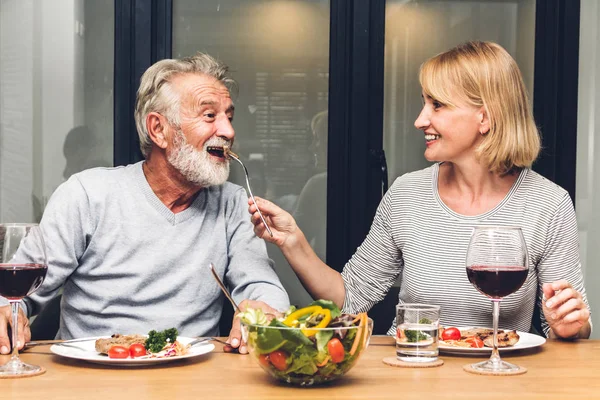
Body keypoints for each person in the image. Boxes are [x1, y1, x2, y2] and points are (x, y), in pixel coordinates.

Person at [248, 41, 592, 339]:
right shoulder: (406, 194)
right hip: (411, 371)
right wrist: (293, 241)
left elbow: (570, 328)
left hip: (494, 380)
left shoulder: (547, 203)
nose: (420, 119)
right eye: (424, 103)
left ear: (484, 118)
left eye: (437, 105)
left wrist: (570, 324)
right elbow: (349, 297)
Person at [0, 52, 290, 355]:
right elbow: (18, 289)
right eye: (209, 116)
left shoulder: (232, 204)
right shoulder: (87, 194)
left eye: (229, 117)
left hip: (192, 379)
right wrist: (6, 312)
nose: (228, 131)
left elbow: (262, 285)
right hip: (92, 377)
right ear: (158, 129)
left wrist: (263, 309)